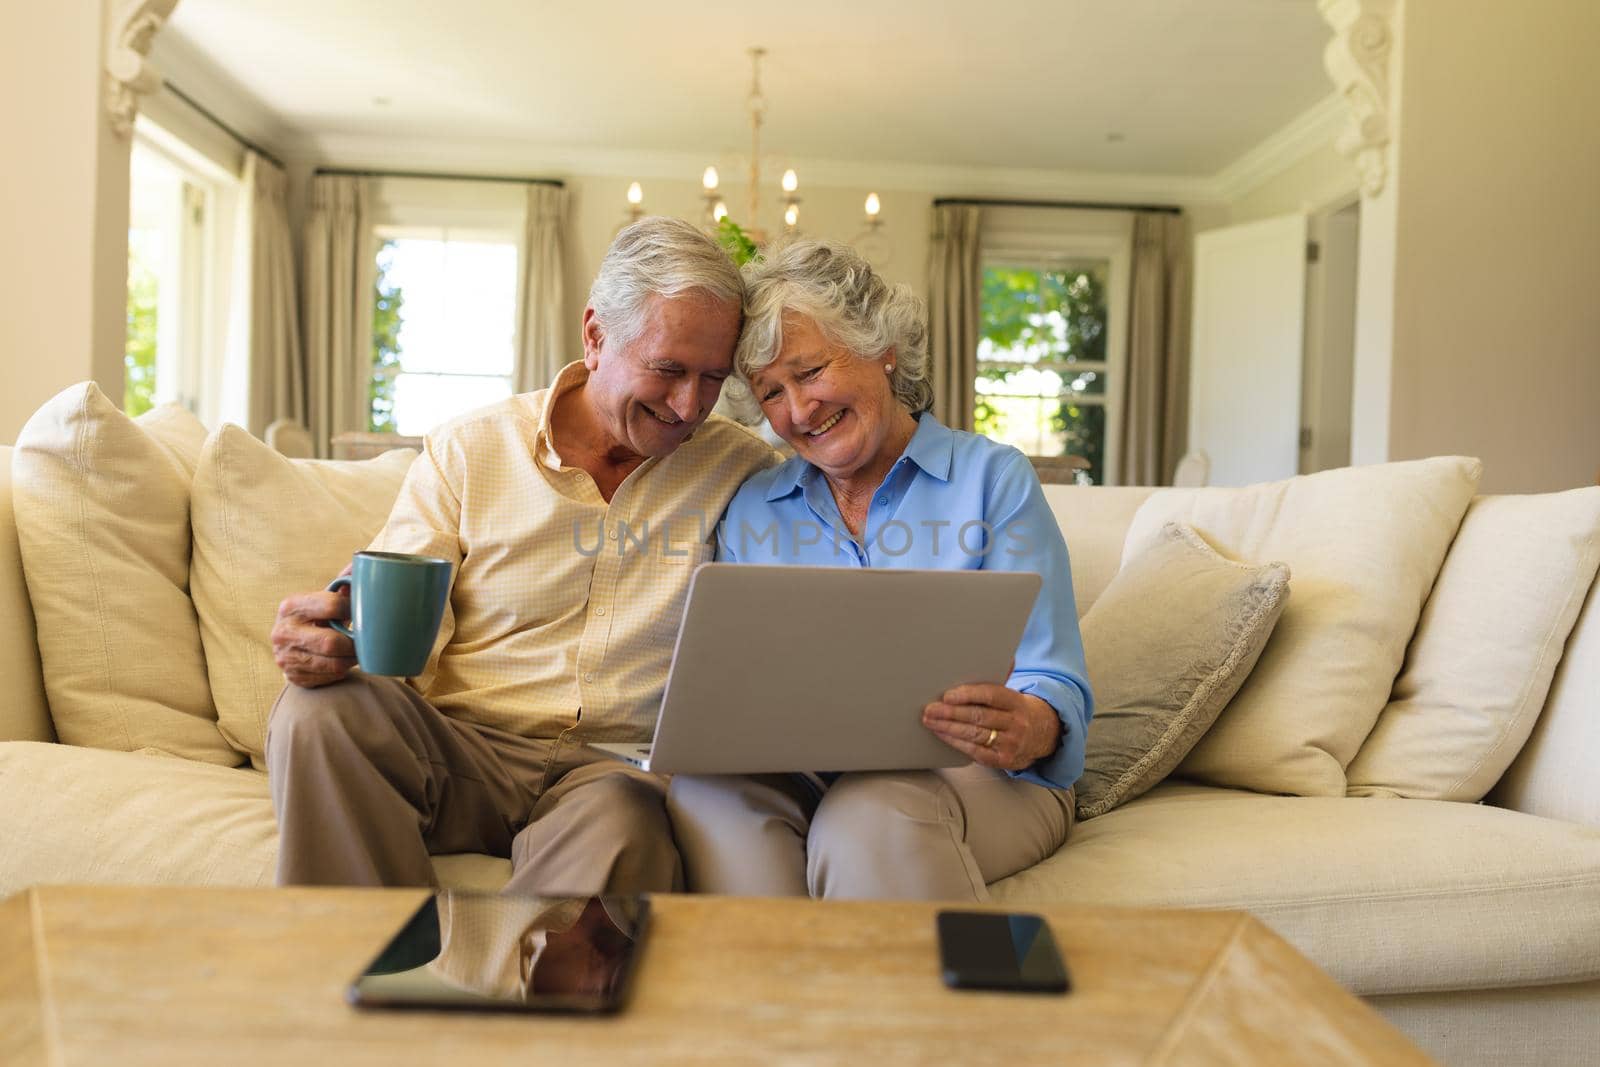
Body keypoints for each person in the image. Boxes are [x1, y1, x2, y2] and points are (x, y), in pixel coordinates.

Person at [266, 217, 776, 895]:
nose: (689, 406)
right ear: (596, 336)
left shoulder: (743, 468)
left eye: (712, 378)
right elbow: (387, 593)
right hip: (458, 748)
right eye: (668, 370)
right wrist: (331, 632)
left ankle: (534, 991)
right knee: (316, 713)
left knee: (623, 828)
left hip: (613, 773)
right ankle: (371, 966)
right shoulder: (471, 448)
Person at [668, 238, 1093, 901]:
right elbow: (740, 677)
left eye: (810, 373)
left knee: (868, 810)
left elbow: (1053, 675)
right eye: (772, 392)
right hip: (807, 770)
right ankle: (772, 993)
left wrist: (1031, 723)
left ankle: (933, 999)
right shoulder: (754, 503)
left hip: (980, 775)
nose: (799, 412)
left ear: (882, 347)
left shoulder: (990, 479)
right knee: (707, 796)